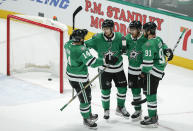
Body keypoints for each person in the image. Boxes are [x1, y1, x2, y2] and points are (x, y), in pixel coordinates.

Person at [64, 29, 118, 129]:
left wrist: (78, 35)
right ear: (80, 39)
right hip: (79, 78)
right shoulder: (81, 50)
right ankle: (86, 119)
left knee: (87, 96)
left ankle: (88, 114)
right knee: (85, 99)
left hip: (71, 75)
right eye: (83, 38)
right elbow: (92, 63)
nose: (84, 39)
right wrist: (106, 60)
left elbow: (72, 40)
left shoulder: (68, 44)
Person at [85, 19, 130, 120]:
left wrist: (118, 55)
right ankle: (106, 110)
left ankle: (120, 107)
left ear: (112, 29)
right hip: (104, 70)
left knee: (122, 90)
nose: (105, 31)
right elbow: (84, 46)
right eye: (104, 29)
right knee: (105, 91)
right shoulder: (97, 38)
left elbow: (125, 48)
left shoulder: (119, 37)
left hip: (118, 69)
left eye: (107, 29)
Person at [139, 22, 173, 128]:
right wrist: (168, 51)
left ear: (148, 31)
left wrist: (142, 74)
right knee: (151, 93)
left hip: (152, 72)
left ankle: (152, 118)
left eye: (144, 31)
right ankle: (153, 115)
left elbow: (148, 64)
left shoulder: (148, 44)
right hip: (159, 70)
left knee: (150, 94)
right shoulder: (158, 39)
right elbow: (164, 47)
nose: (143, 32)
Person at [125, 20, 148, 121]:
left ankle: (152, 113)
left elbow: (158, 43)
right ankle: (138, 110)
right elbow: (122, 48)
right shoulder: (127, 38)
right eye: (130, 29)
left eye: (133, 30)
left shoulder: (145, 38)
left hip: (143, 71)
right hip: (131, 70)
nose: (131, 32)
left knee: (149, 93)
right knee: (135, 91)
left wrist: (165, 49)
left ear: (139, 30)